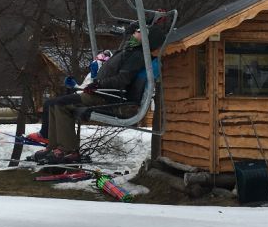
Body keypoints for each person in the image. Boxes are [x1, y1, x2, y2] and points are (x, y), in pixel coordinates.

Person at [33, 21, 169, 164]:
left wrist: (99, 84)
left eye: (140, 31)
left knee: (60, 105)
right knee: (54, 104)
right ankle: (53, 146)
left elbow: (122, 80)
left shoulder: (136, 56)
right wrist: (149, 18)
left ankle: (67, 150)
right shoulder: (128, 48)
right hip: (100, 91)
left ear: (146, 39)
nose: (136, 31)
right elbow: (129, 30)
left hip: (106, 96)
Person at [25, 50, 112, 146]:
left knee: (55, 104)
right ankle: (49, 136)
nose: (98, 60)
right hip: (85, 94)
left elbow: (97, 85)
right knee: (49, 103)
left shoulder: (105, 70)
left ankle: (50, 137)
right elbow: (86, 87)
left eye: (102, 58)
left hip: (94, 97)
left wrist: (95, 76)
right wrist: (74, 85)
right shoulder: (93, 71)